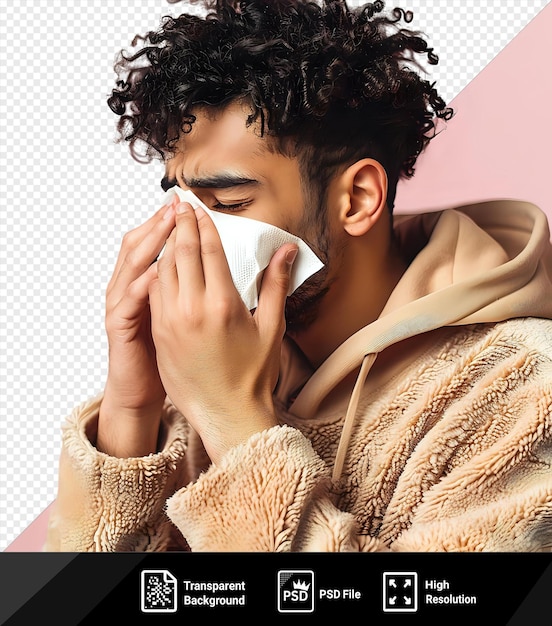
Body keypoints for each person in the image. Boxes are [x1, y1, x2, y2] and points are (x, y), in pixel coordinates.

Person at [45, 0, 552, 552]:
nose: (190, 235)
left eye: (230, 202)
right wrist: (130, 410)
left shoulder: (523, 394)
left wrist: (235, 423)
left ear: (357, 199)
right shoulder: (194, 374)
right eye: (183, 203)